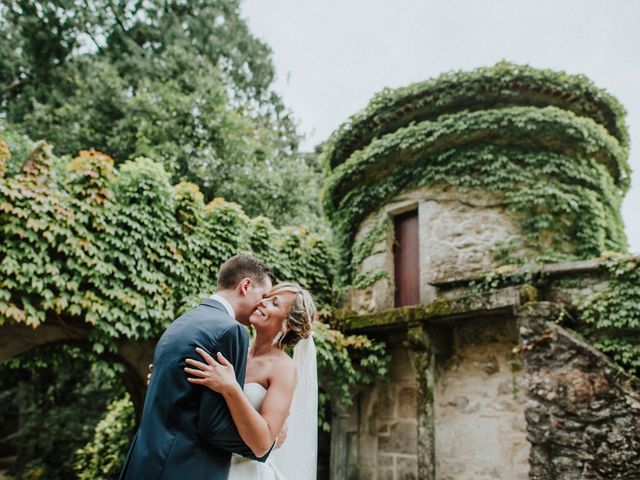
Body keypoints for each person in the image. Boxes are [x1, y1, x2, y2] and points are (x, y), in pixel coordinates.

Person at [120, 254, 275, 480]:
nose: (262, 305)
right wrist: (265, 441)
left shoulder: (181, 323)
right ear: (246, 285)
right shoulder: (230, 330)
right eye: (263, 296)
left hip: (146, 462)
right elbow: (213, 425)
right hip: (184, 467)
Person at [184, 282, 318, 480]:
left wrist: (231, 388)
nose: (261, 302)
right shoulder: (236, 351)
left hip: (246, 472)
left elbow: (262, 444)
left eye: (274, 303)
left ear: (287, 325)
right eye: (265, 297)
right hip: (209, 464)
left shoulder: (284, 368)